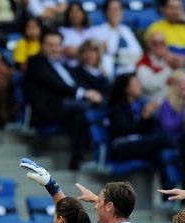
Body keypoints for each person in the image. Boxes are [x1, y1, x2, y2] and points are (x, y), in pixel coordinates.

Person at [24, 31, 102, 170]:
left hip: (67, 107)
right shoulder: (36, 61)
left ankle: (78, 157)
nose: (55, 49)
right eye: (50, 45)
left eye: (58, 45)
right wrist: (84, 94)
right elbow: (55, 84)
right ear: (42, 46)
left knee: (81, 113)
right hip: (48, 108)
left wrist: (89, 93)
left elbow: (76, 83)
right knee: (84, 107)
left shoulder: (64, 64)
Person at [107, 74, 171, 174]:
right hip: (122, 147)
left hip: (138, 143)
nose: (139, 86)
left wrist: (148, 116)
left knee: (160, 154)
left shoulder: (140, 104)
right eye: (135, 83)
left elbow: (145, 130)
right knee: (165, 139)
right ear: (126, 89)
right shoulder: (117, 107)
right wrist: (144, 117)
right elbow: (124, 130)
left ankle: (169, 187)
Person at [90, 0, 142, 77]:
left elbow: (138, 53)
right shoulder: (97, 31)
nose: (115, 13)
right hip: (108, 76)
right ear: (105, 12)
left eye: (118, 9)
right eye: (112, 9)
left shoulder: (126, 30)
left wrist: (118, 54)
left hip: (130, 74)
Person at [158, 69, 185, 141]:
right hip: (176, 140)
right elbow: (167, 127)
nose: (183, 85)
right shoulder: (166, 104)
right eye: (180, 83)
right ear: (173, 86)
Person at [135, 32, 176, 105]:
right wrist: (169, 69)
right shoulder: (143, 62)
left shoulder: (169, 60)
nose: (159, 46)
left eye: (162, 43)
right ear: (148, 45)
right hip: (152, 103)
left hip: (171, 103)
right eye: (155, 43)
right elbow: (150, 86)